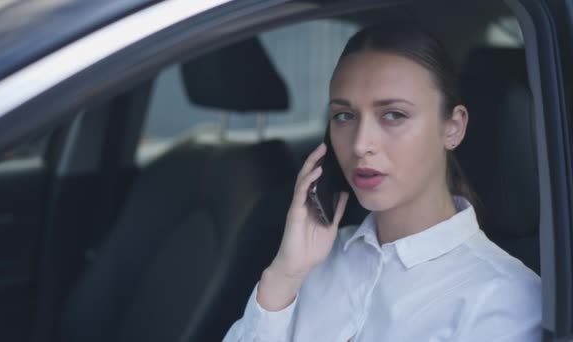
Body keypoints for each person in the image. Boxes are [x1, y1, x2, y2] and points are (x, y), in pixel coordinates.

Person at [223, 24, 541, 341]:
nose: (361, 144)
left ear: (453, 127)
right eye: (344, 116)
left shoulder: (503, 298)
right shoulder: (311, 259)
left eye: (393, 115)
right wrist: (285, 274)